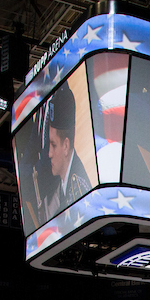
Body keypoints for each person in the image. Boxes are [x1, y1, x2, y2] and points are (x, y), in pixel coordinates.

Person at [29, 83, 92, 228]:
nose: (49, 154)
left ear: (66, 146)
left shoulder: (78, 189)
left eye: (53, 145)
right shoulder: (63, 184)